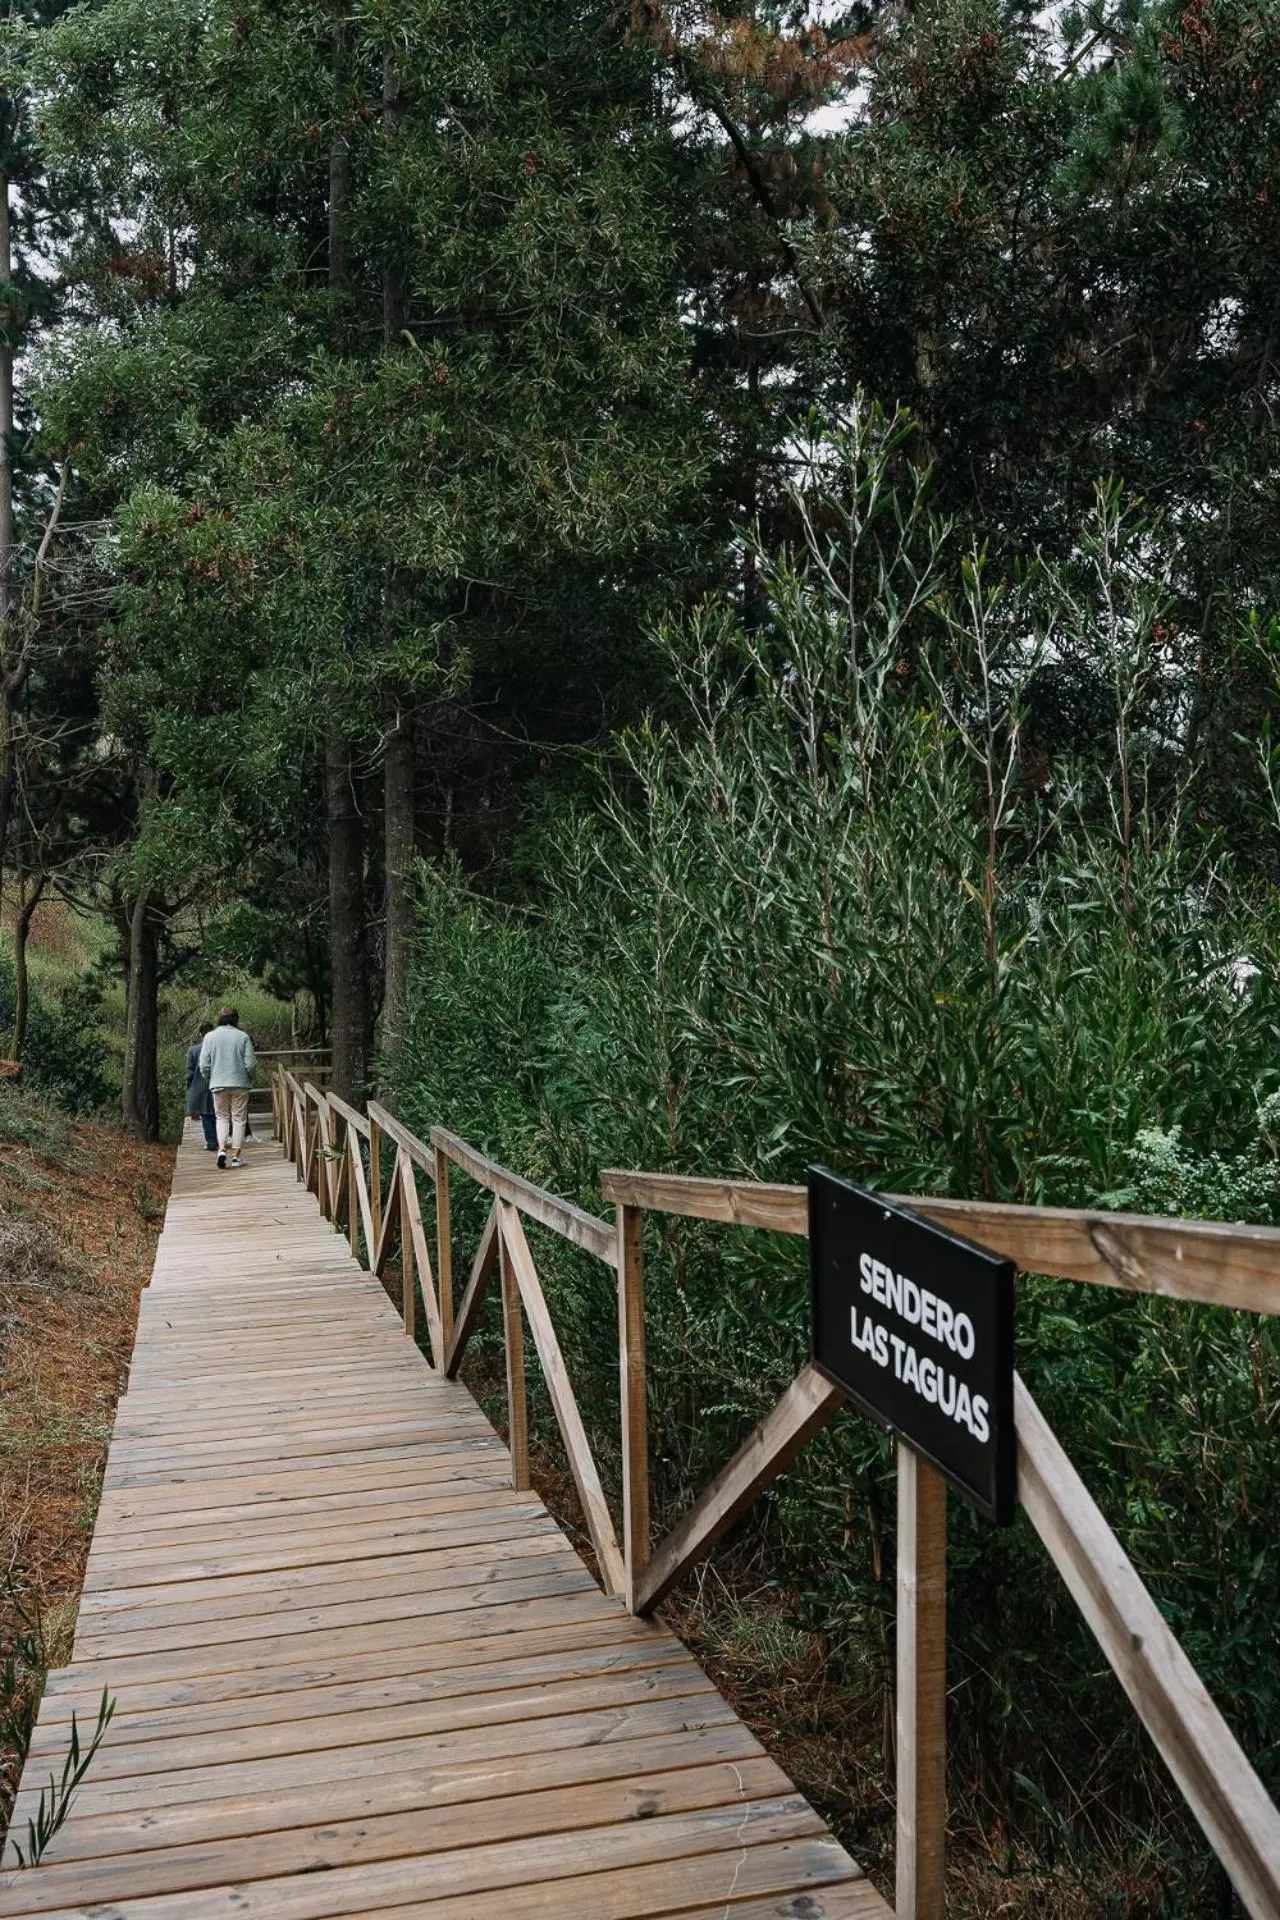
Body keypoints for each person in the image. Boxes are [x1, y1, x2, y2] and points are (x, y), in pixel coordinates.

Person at [199, 1006, 257, 1170]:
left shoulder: (210, 1037)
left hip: (218, 1083)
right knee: (239, 1118)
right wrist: (251, 1079)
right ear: (235, 1019)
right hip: (240, 1084)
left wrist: (210, 1077)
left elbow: (203, 1064)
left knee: (221, 1117)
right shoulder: (243, 1037)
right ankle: (236, 1156)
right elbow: (251, 1064)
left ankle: (222, 1149)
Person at [184, 1023, 217, 1150]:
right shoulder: (217, 1048)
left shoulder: (194, 1050)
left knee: (206, 1115)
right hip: (216, 1084)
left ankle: (211, 1142)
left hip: (199, 1086)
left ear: (200, 1034)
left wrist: (188, 1086)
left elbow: (190, 1071)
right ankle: (219, 1140)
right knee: (217, 1115)